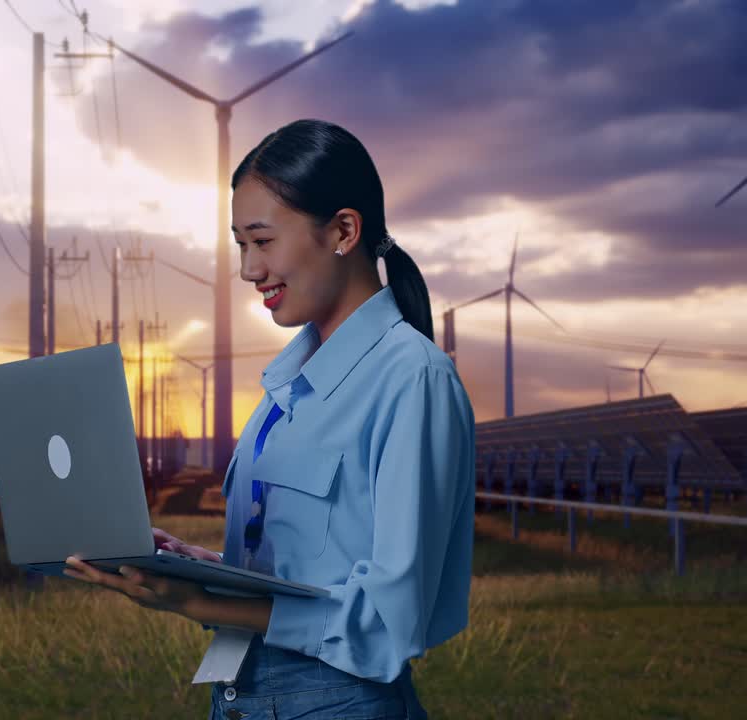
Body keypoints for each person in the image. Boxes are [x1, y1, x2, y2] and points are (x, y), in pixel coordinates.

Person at [64, 118, 476, 719]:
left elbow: (388, 623)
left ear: (343, 230)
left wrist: (198, 604)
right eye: (240, 245)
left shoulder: (412, 379)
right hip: (241, 696)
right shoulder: (285, 387)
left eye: (262, 241)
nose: (248, 271)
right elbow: (303, 571)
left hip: (339, 705)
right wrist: (197, 566)